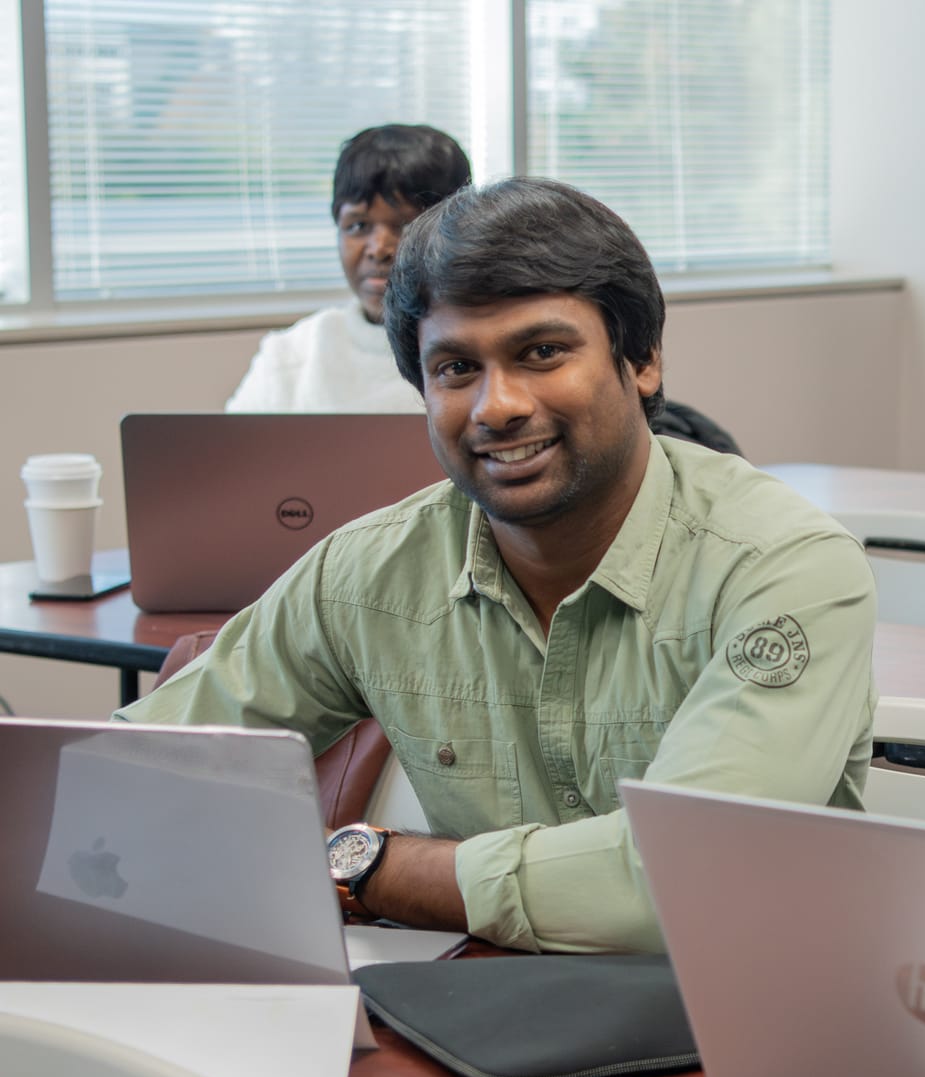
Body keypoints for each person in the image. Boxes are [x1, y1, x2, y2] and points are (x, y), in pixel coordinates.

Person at [121, 178, 877, 954]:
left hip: (748, 1022)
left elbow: (684, 878)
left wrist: (365, 864)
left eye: (541, 352)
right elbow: (132, 775)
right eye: (454, 369)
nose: (496, 405)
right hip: (483, 1020)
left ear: (642, 359)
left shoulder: (784, 568)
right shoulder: (368, 572)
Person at [223, 124, 471, 414]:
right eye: (358, 226)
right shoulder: (292, 356)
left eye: (405, 225)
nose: (379, 248)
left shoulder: (476, 345)